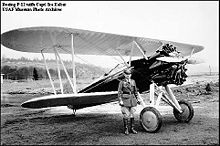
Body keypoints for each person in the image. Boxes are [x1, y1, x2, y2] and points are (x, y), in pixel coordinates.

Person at [118, 69, 140, 135]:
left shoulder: (133, 81)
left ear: (131, 75)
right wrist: (120, 100)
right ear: (124, 74)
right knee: (126, 114)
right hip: (125, 99)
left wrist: (137, 99)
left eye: (129, 74)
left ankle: (132, 128)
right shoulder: (121, 82)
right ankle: (126, 129)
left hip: (132, 99)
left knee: (132, 114)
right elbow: (119, 92)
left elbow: (135, 91)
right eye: (127, 74)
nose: (128, 76)